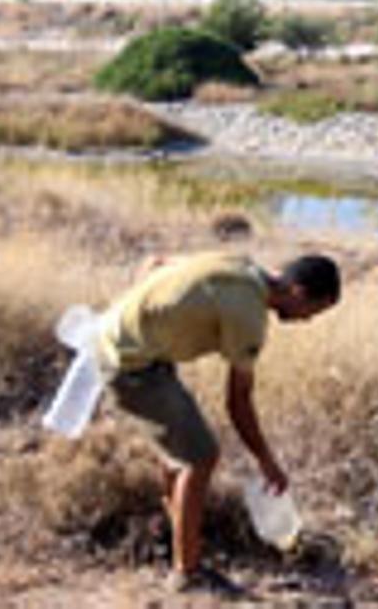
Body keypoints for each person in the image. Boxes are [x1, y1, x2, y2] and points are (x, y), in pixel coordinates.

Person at [95, 250, 340, 595]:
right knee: (201, 457)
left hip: (116, 338)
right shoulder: (250, 316)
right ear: (298, 293)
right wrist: (267, 462)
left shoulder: (241, 265)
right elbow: (238, 403)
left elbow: (154, 262)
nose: (306, 321)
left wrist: (142, 318)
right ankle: (187, 573)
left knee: (179, 449)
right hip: (131, 366)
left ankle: (175, 536)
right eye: (312, 312)